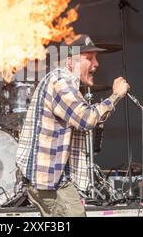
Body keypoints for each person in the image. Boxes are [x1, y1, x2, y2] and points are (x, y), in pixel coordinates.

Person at [15, 34, 130, 217]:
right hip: (49, 181)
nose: (96, 64)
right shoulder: (60, 81)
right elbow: (86, 119)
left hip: (53, 180)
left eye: (96, 58)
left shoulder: (64, 82)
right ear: (70, 62)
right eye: (89, 58)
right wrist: (116, 96)